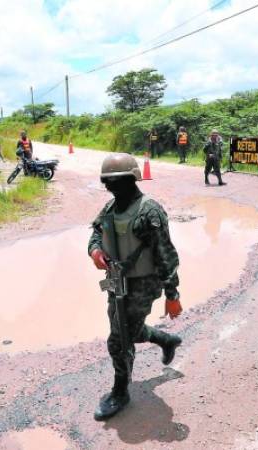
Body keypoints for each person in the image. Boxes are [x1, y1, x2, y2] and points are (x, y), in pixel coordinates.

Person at [88, 153, 184, 420]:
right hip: (116, 282)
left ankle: (121, 391)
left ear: (132, 179)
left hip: (144, 283)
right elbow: (96, 233)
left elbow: (166, 255)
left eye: (117, 181)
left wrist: (172, 294)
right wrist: (95, 252)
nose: (112, 186)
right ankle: (166, 340)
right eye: (107, 182)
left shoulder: (149, 211)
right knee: (126, 329)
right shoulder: (110, 209)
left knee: (119, 338)